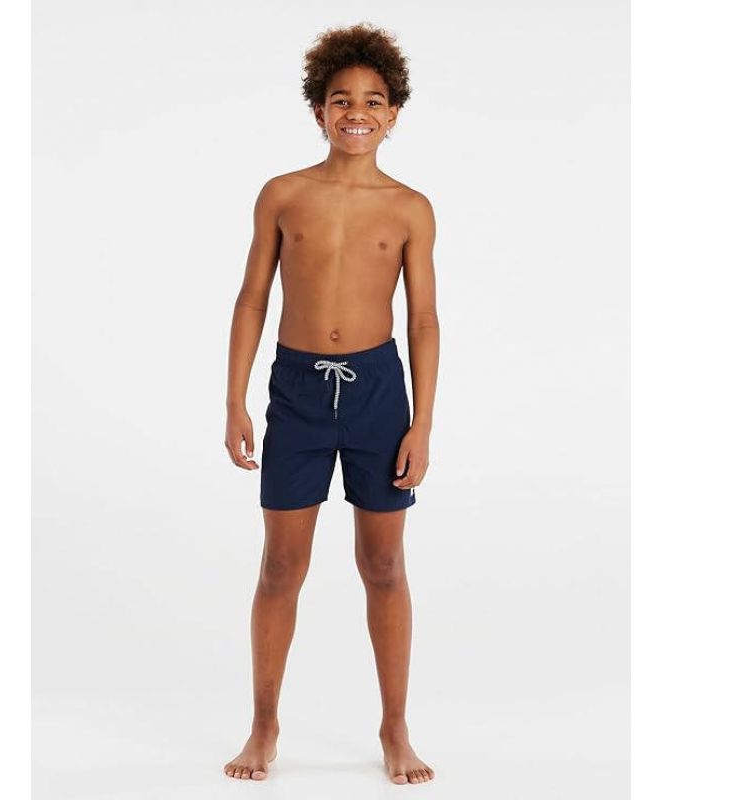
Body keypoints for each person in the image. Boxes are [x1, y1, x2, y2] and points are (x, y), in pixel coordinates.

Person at [223, 22, 439, 785]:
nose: (357, 112)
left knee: (383, 563)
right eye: (341, 99)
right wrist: (235, 399)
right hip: (297, 392)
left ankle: (394, 727)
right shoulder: (284, 195)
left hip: (379, 392)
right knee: (282, 564)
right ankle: (264, 725)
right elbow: (253, 298)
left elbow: (422, 319)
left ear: (393, 114)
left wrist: (421, 422)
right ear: (318, 109)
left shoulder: (410, 208)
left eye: (373, 101)